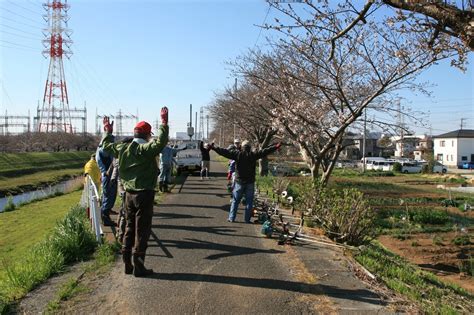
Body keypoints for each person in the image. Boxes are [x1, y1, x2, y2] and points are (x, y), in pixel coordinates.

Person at [100, 107, 169, 277]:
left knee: (129, 228)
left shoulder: (123, 149)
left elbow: (106, 146)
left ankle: (127, 264)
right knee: (142, 230)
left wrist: (108, 132)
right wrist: (164, 123)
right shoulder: (146, 149)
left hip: (128, 195)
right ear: (147, 135)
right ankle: (139, 266)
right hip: (144, 194)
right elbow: (161, 142)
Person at [211, 140, 281, 223]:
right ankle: (247, 220)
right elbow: (264, 152)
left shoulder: (237, 154)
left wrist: (214, 148)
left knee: (235, 200)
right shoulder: (253, 155)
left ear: (242, 146)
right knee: (249, 202)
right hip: (250, 181)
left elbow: (224, 152)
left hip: (239, 181)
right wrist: (275, 147)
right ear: (250, 147)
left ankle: (231, 218)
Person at [97, 136, 119, 226]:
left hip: (109, 175)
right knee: (108, 195)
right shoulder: (103, 150)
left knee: (111, 194)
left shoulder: (102, 149)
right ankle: (105, 218)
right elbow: (102, 160)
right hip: (107, 175)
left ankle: (107, 212)